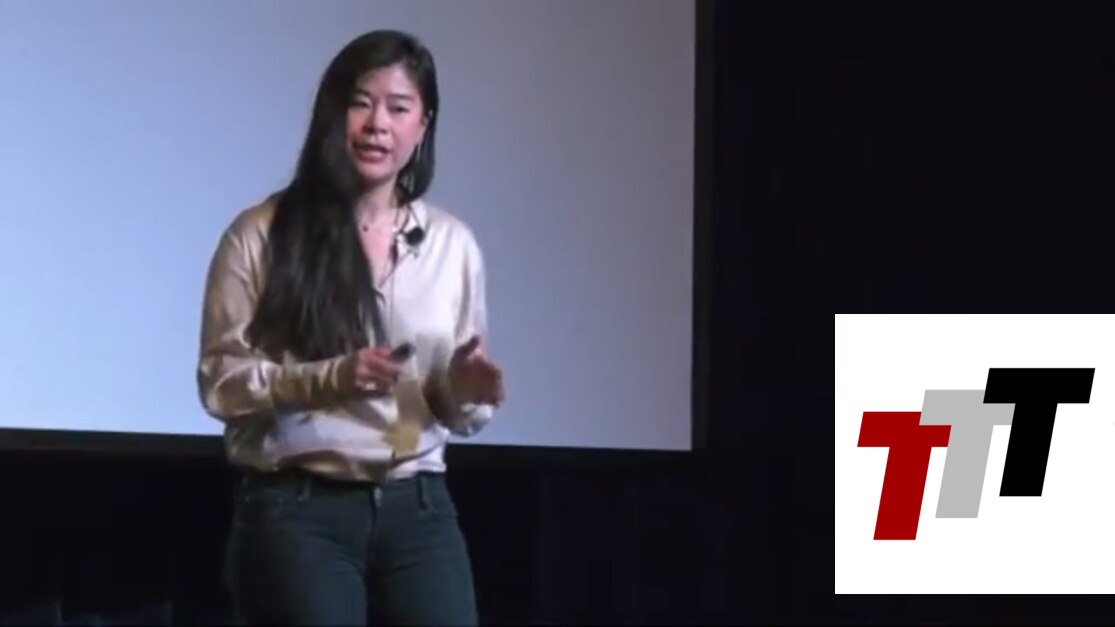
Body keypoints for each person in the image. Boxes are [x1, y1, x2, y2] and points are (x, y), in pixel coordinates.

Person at [195, 29, 504, 626]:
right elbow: (221, 384)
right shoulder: (260, 234)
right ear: (332, 113)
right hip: (298, 510)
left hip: (418, 508)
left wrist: (462, 393)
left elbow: (445, 408)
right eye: (361, 103)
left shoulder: (452, 245)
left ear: (423, 125)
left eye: (399, 108)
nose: (377, 124)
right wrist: (330, 378)